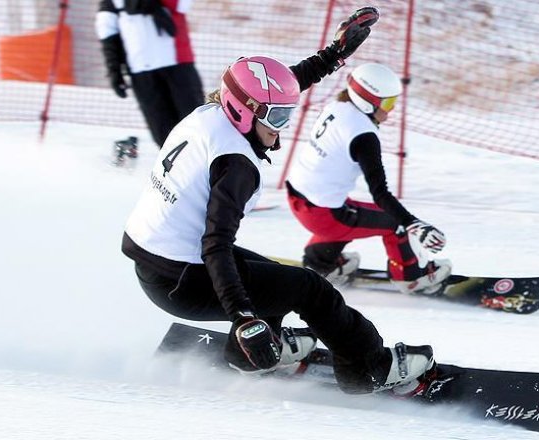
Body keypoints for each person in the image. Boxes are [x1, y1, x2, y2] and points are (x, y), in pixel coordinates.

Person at [122, 7, 437, 395]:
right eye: (279, 119)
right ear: (245, 113)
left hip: (162, 265)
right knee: (310, 289)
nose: (283, 129)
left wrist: (334, 55)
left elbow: (279, 88)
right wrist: (242, 318)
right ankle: (367, 366)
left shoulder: (212, 111)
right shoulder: (235, 165)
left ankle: (248, 356)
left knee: (272, 277)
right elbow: (217, 245)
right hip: (184, 280)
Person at [285, 63, 452, 294]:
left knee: (354, 211)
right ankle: (412, 278)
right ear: (367, 100)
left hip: (299, 198)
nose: (390, 111)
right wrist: (413, 223)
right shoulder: (363, 134)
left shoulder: (337, 106)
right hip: (324, 214)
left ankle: (320, 262)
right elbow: (380, 192)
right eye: (387, 103)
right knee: (395, 224)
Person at [96, 0, 205, 158]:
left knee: (196, 123)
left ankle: (210, 168)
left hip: (177, 64)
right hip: (141, 71)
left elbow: (183, 4)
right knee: (163, 131)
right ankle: (177, 173)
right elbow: (106, 28)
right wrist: (114, 69)